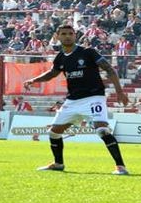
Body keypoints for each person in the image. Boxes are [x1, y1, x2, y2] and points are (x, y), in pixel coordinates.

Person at [23, 25, 130, 175]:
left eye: (70, 34)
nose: (67, 36)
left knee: (102, 130)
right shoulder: (60, 57)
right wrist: (34, 80)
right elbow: (53, 73)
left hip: (94, 97)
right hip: (73, 101)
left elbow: (109, 69)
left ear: (75, 35)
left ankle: (121, 167)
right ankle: (58, 163)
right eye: (64, 34)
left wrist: (120, 91)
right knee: (54, 133)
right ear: (58, 36)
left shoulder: (88, 52)